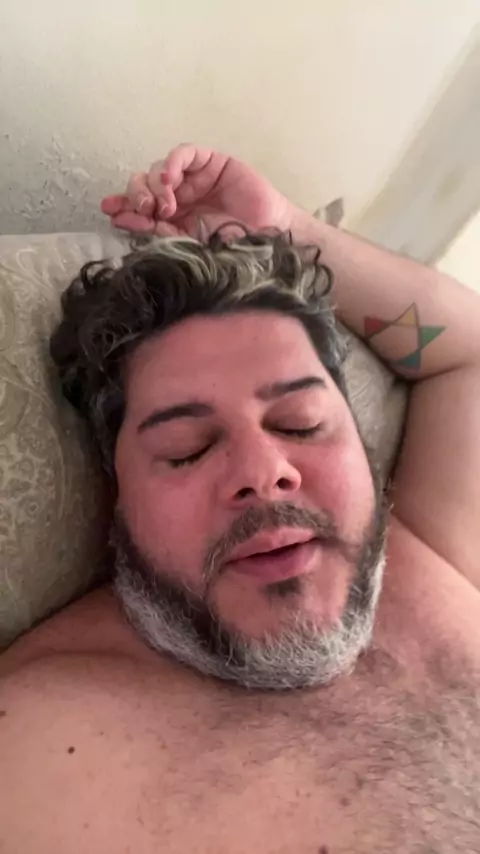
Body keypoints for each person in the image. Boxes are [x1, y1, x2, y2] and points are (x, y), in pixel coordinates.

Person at [1, 144, 479, 852]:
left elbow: (467, 351)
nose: (263, 472)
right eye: (188, 447)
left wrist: (286, 227)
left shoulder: (435, 552)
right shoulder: (42, 747)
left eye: (301, 423)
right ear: (117, 498)